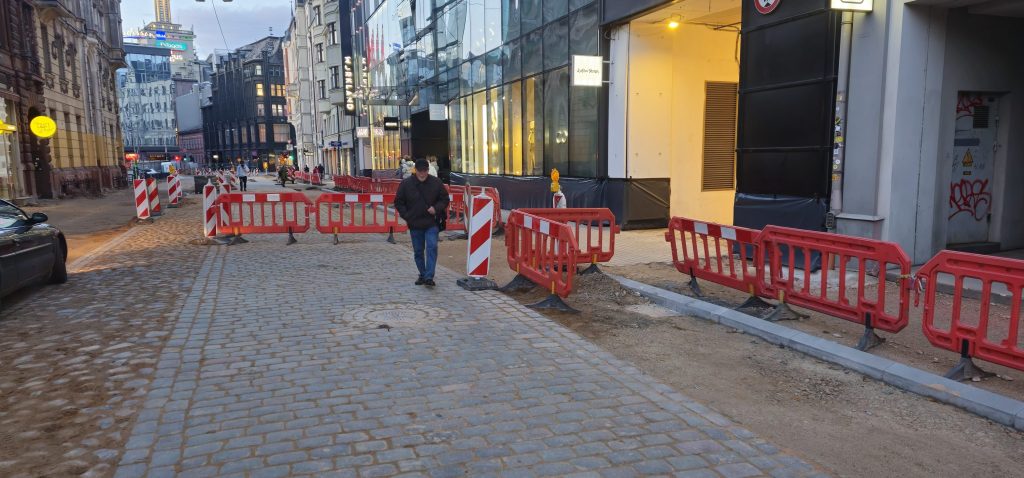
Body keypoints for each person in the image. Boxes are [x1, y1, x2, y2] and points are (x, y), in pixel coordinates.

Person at [394, 159, 449, 287]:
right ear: (415, 171)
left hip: (431, 223)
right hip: (415, 223)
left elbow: (444, 199)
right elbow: (398, 202)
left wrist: (436, 208)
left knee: (432, 247)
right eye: (420, 171)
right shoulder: (406, 184)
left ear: (428, 171)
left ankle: (429, 276)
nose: (422, 174)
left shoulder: (436, 183)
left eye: (425, 171)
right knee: (418, 251)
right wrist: (407, 216)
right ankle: (423, 274)